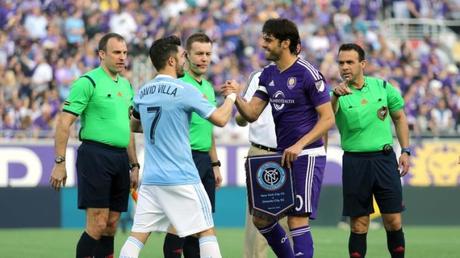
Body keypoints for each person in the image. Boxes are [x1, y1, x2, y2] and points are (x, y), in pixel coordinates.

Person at [223, 18, 335, 258]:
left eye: (268, 39)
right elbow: (252, 113)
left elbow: (327, 119)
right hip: (281, 155)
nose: (263, 44)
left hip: (307, 155)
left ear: (285, 43)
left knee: (296, 218)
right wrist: (236, 97)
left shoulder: (308, 74)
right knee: (261, 218)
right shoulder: (268, 74)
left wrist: (300, 144)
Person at [119, 35, 236, 258]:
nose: (185, 61)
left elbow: (135, 125)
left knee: (137, 236)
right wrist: (231, 97)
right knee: (206, 231)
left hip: (152, 179)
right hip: (182, 176)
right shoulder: (184, 90)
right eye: (183, 56)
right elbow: (221, 119)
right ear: (171, 61)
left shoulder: (143, 91)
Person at [49, 32, 140, 258]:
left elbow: (126, 128)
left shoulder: (127, 86)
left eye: (125, 53)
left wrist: (134, 165)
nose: (122, 57)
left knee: (111, 224)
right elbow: (63, 123)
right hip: (96, 155)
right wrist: (59, 162)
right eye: (116, 52)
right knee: (97, 223)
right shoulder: (87, 82)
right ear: (102, 54)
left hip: (120, 158)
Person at [332, 43, 410, 258]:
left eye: (350, 62)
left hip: (385, 160)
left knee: (393, 221)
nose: (345, 67)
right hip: (355, 162)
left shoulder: (383, 87)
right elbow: (326, 118)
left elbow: (400, 118)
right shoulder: (335, 95)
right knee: (359, 224)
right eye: (341, 63)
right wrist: (334, 97)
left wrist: (405, 150)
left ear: (362, 64)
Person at [163, 32, 222, 258]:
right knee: (179, 224)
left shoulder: (207, 87)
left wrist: (215, 163)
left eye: (208, 54)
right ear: (186, 55)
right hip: (184, 160)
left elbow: (208, 129)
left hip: (204, 161)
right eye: (199, 53)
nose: (204, 58)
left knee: (200, 225)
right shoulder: (178, 86)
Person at [236, 71, 290, 258]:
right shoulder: (259, 75)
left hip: (287, 154)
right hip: (265, 153)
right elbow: (242, 118)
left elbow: (241, 119)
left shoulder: (302, 74)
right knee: (263, 220)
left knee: (282, 221)